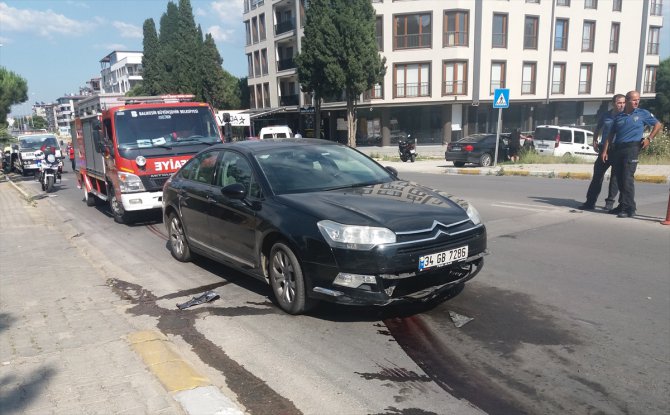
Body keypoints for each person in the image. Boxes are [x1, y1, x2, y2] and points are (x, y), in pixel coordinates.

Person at [602, 90, 663, 218]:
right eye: (634, 100)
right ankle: (622, 205)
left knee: (627, 178)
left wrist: (649, 139)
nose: (636, 102)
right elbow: (611, 134)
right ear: (628, 100)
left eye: (638, 99)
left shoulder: (642, 113)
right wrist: (605, 151)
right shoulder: (619, 116)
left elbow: (657, 124)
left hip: (632, 148)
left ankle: (629, 208)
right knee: (618, 178)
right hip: (618, 148)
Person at [578, 94, 625, 211]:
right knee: (597, 176)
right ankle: (590, 202)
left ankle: (609, 202)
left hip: (618, 149)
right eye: (619, 103)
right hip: (604, 148)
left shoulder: (625, 116)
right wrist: (594, 140)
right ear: (614, 103)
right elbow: (598, 128)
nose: (622, 105)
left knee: (615, 177)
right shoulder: (606, 115)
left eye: (624, 103)